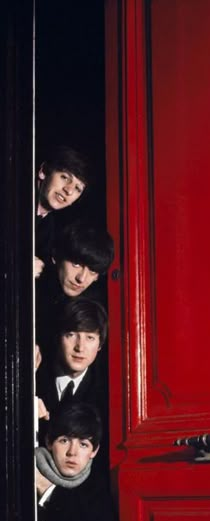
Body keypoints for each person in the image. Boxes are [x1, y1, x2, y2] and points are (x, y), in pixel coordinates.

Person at [36, 299, 109, 473]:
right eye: (71, 334)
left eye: (90, 337)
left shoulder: (104, 392)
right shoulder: (34, 374)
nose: (80, 347)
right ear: (58, 337)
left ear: (100, 345)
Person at [36, 220, 114, 352]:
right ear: (56, 256)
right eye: (76, 264)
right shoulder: (33, 282)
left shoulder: (93, 309)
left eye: (93, 271)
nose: (81, 278)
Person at [35, 145, 92, 275]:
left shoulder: (48, 229)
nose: (69, 190)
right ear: (43, 171)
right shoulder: (12, 201)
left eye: (78, 188)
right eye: (65, 177)